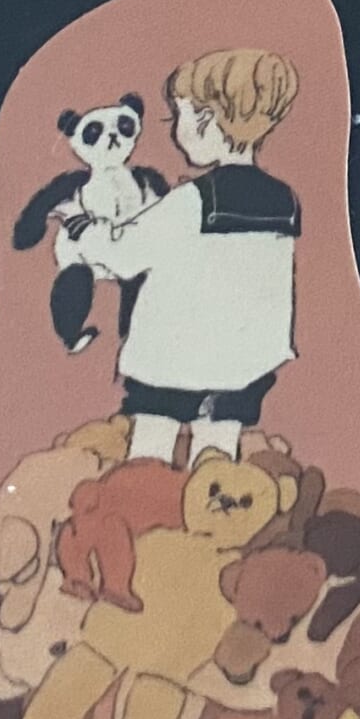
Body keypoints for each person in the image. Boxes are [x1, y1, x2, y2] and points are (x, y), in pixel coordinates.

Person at [67, 48, 302, 465]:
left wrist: (82, 226)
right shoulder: (283, 200)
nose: (176, 129)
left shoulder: (194, 200)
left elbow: (124, 254)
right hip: (244, 364)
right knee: (216, 458)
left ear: (208, 119)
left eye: (180, 116)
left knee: (150, 454)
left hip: (175, 361)